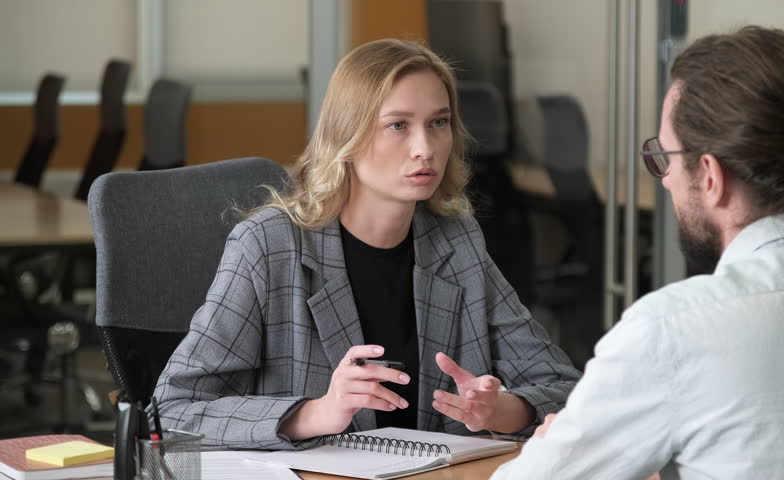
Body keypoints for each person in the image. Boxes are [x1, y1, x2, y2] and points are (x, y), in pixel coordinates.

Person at [152, 38, 580, 450]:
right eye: (398, 125)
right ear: (346, 138)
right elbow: (172, 410)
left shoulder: (457, 241)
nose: (425, 148)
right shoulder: (268, 246)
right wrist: (317, 413)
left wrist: (503, 410)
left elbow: (567, 388)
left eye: (438, 123)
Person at [492, 26, 784, 479]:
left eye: (666, 156)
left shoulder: (673, 330)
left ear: (709, 175)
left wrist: (550, 448)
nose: (664, 179)